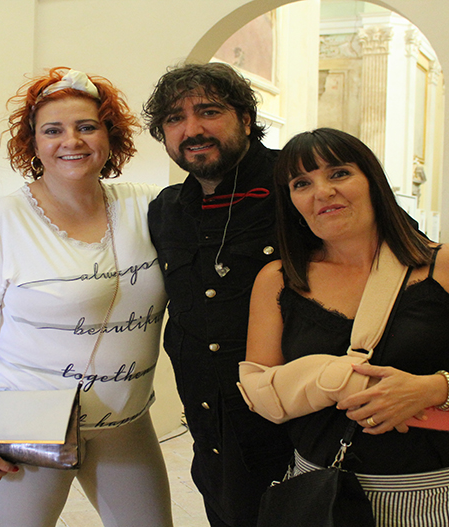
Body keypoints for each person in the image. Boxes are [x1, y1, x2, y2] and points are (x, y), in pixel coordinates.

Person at [239, 128, 449, 525]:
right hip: (318, 494)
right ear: (291, 201)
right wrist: (347, 380)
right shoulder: (278, 280)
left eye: (338, 173)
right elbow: (261, 393)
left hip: (434, 498)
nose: (322, 191)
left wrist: (434, 389)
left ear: (372, 181)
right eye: (301, 183)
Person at [0, 67, 173, 527]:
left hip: (125, 422)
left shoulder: (148, 206)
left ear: (110, 137)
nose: (72, 140)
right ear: (33, 144)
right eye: (53, 130)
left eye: (87, 127)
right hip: (28, 421)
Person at [143, 62, 292, 527]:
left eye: (208, 111)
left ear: (246, 119)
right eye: (174, 119)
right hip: (213, 437)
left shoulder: (299, 184)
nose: (192, 129)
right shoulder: (167, 211)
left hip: (298, 435)